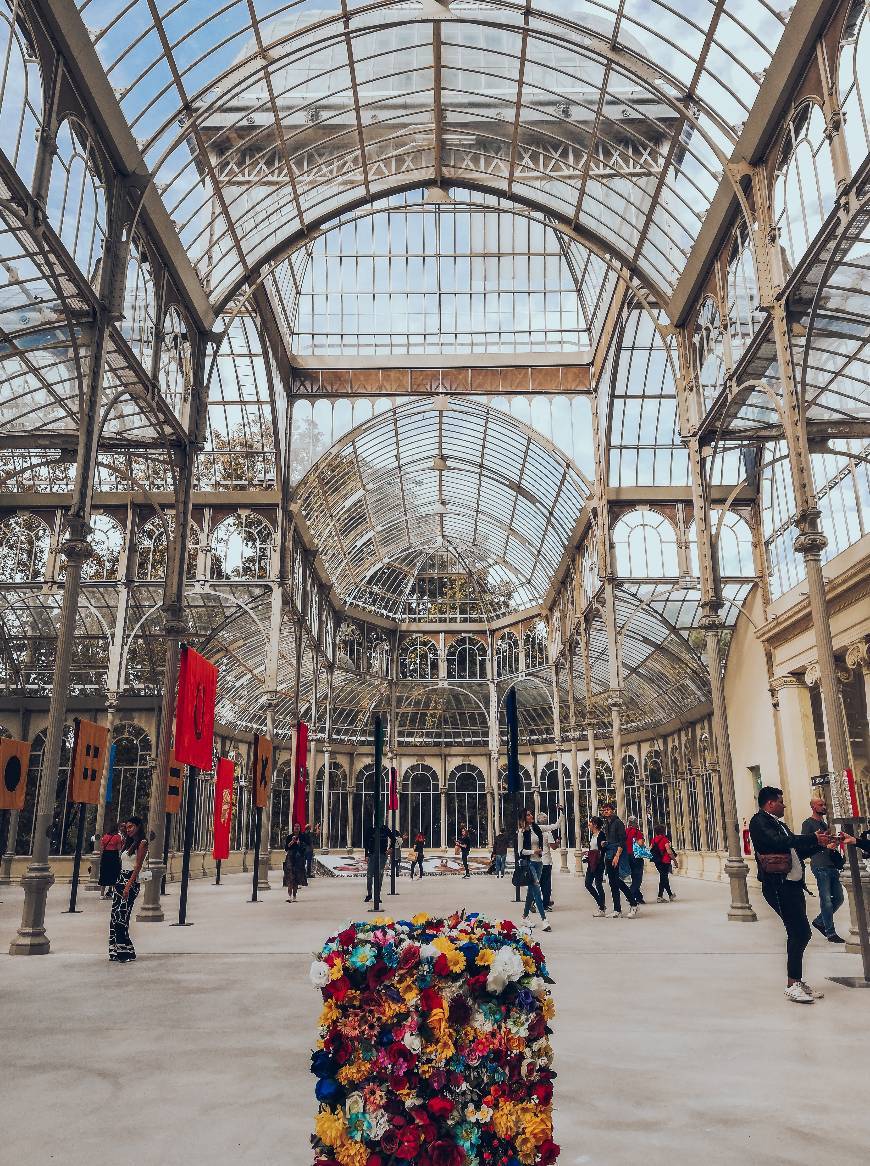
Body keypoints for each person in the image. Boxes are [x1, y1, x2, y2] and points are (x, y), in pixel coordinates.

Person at [749, 786, 830, 1004]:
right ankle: (792, 984)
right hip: (778, 885)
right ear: (770, 804)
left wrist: (819, 845)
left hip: (791, 884)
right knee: (800, 932)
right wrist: (811, 837)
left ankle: (796, 980)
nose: (784, 805)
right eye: (781, 801)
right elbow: (779, 843)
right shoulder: (759, 822)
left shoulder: (778, 824)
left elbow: (794, 850)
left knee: (800, 932)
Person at [801, 797, 846, 943]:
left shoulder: (824, 824)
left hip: (831, 865)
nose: (824, 807)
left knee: (839, 898)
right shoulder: (808, 824)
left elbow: (826, 842)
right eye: (820, 805)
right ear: (813, 807)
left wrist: (834, 841)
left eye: (824, 804)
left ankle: (820, 921)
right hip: (820, 866)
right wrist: (823, 846)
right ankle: (830, 932)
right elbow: (805, 845)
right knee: (826, 900)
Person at [109, 816, 147, 963]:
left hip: (129, 882)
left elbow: (137, 867)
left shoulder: (142, 843)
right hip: (120, 881)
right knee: (115, 917)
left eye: (131, 826)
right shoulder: (128, 843)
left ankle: (124, 951)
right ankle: (117, 951)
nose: (128, 829)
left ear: (138, 827)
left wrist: (128, 885)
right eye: (127, 827)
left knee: (121, 916)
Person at [600, 802, 639, 918]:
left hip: (617, 854)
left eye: (608, 809)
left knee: (617, 881)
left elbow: (622, 841)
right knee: (613, 882)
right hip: (609, 853)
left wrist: (617, 855)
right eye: (604, 810)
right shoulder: (606, 824)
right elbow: (611, 840)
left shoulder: (618, 823)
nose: (606, 811)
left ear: (613, 810)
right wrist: (605, 843)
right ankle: (617, 909)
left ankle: (634, 903)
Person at [516, 813, 551, 932]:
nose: (531, 816)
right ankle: (544, 920)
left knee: (531, 891)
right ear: (524, 818)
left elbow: (554, 826)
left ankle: (524, 917)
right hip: (529, 863)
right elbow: (520, 851)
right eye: (529, 815)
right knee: (537, 890)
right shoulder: (521, 832)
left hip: (539, 863)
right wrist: (533, 851)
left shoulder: (536, 828)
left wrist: (561, 813)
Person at [363, 810, 398, 903]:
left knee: (380, 875)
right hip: (372, 854)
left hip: (382, 854)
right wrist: (366, 855)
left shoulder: (385, 829)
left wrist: (390, 849)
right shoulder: (370, 829)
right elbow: (366, 843)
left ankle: (377, 894)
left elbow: (394, 839)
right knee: (370, 875)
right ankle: (370, 894)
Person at [536, 809, 561, 910]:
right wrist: (558, 842)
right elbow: (553, 847)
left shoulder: (533, 831)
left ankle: (535, 901)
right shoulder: (547, 833)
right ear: (546, 822)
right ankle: (545, 904)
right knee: (546, 884)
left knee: (537, 883)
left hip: (536, 860)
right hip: (546, 861)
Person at [584, 816, 607, 916]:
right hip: (591, 862)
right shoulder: (593, 835)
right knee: (588, 884)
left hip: (598, 862)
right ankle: (601, 904)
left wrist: (603, 846)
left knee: (598, 884)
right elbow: (593, 848)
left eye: (590, 823)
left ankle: (602, 908)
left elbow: (603, 849)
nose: (589, 824)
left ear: (595, 825)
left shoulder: (601, 835)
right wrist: (588, 853)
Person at [650, 822, 677, 902]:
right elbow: (669, 851)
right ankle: (660, 896)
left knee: (664, 878)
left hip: (657, 861)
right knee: (663, 878)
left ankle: (670, 895)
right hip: (665, 861)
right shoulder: (665, 839)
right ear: (663, 831)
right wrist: (675, 861)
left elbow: (651, 849)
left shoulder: (653, 840)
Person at [98, 820, 123, 899]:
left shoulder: (105, 837)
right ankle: (112, 892)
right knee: (114, 874)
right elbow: (119, 848)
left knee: (104, 874)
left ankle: (102, 894)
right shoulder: (117, 837)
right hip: (114, 856)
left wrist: (101, 857)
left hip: (106, 856)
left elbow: (101, 848)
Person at [283, 823, 308, 902]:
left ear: (300, 828)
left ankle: (294, 896)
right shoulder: (289, 837)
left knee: (296, 877)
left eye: (298, 827)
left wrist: (299, 843)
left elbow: (304, 849)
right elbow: (286, 848)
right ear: (293, 828)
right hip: (290, 857)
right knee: (290, 876)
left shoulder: (302, 837)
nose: (296, 828)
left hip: (298, 858)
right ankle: (289, 895)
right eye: (295, 826)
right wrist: (292, 842)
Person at [625, 815, 647, 905]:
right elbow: (641, 843)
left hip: (627, 856)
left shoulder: (625, 831)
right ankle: (630, 894)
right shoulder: (637, 832)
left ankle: (639, 897)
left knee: (634, 877)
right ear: (635, 823)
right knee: (638, 878)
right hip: (636, 856)